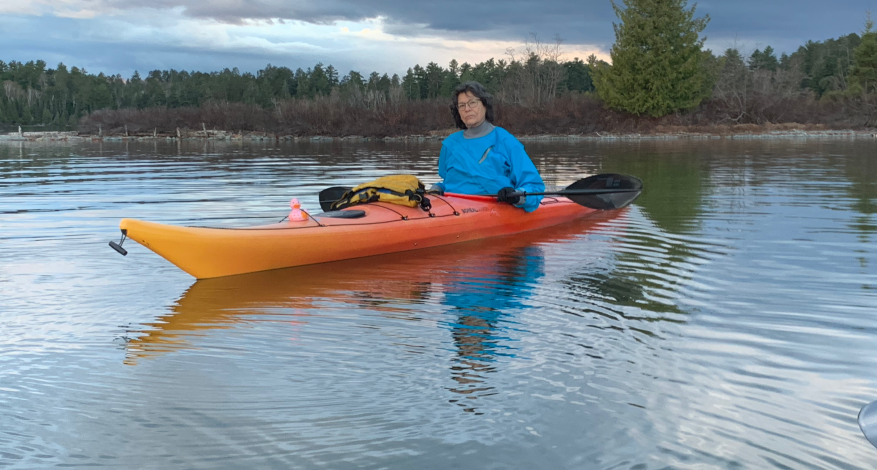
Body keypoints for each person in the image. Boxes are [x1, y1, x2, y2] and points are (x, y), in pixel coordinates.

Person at [430, 82, 545, 212]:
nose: (467, 109)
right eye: (461, 105)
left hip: (493, 210)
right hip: (451, 208)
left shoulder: (505, 141)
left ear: (485, 105)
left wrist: (516, 195)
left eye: (472, 102)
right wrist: (437, 188)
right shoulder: (450, 144)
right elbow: (451, 182)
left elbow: (534, 186)